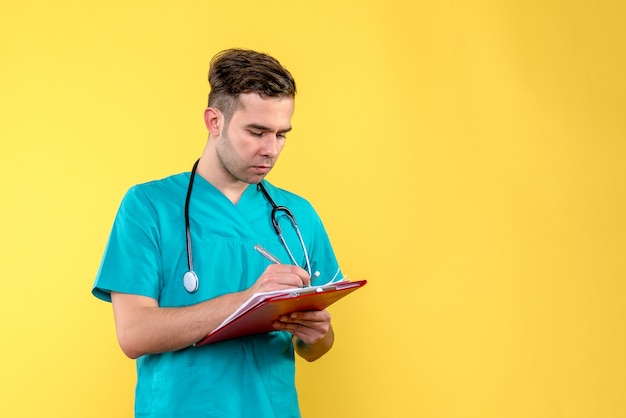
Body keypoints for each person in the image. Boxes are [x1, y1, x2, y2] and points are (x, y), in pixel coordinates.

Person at [92, 49, 342, 417]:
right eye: (256, 131)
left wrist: (318, 336)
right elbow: (133, 334)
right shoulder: (149, 206)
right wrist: (248, 301)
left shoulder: (297, 216)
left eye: (281, 134)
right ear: (214, 121)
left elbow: (315, 348)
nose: (270, 149)